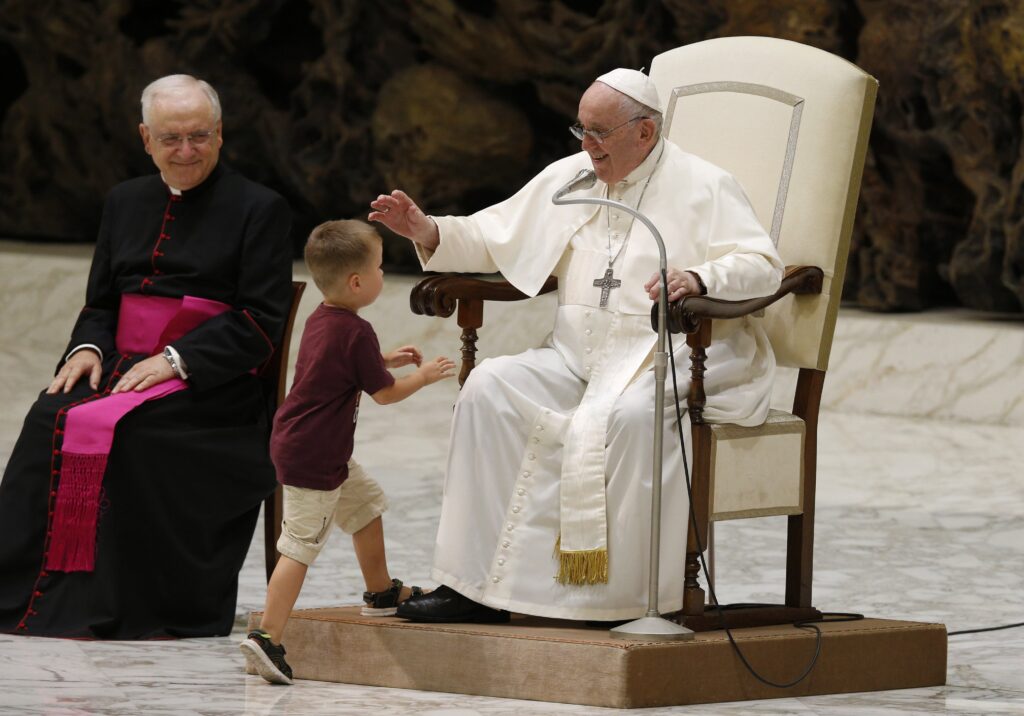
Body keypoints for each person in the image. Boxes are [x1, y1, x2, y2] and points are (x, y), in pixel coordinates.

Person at [368, 68, 785, 623]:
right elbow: (495, 233)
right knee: (488, 387)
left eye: (599, 132)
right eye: (581, 130)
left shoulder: (706, 185)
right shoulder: (572, 176)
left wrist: (700, 277)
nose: (587, 145)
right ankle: (472, 588)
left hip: (668, 355)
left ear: (645, 132)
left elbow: (763, 265)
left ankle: (624, 601)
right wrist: (428, 231)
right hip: (577, 357)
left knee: (632, 416)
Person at [0, 75, 293, 638]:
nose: (186, 151)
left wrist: (176, 359)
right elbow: (102, 301)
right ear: (145, 138)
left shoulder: (261, 208)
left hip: (213, 386)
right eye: (171, 138)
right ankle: (27, 595)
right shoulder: (124, 200)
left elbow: (261, 321)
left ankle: (126, 602)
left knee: (136, 433)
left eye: (199, 136)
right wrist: (86, 347)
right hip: (120, 367)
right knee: (47, 415)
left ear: (220, 134)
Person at [240, 220, 455, 684]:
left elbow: (341, 368)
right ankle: (267, 637)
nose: (383, 274)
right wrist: (423, 376)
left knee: (366, 506)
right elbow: (386, 394)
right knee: (300, 546)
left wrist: (384, 360)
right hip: (315, 457)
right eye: (379, 268)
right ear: (357, 282)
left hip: (313, 447)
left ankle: (380, 592)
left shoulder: (323, 318)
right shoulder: (356, 331)